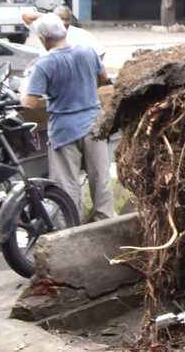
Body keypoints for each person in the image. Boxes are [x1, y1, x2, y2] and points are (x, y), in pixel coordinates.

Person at [22, 13, 114, 222]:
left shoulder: (44, 64)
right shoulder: (89, 52)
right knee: (100, 179)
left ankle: (70, 225)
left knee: (66, 185)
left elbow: (30, 103)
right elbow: (103, 78)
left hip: (64, 131)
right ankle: (105, 221)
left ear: (44, 39)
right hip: (94, 126)